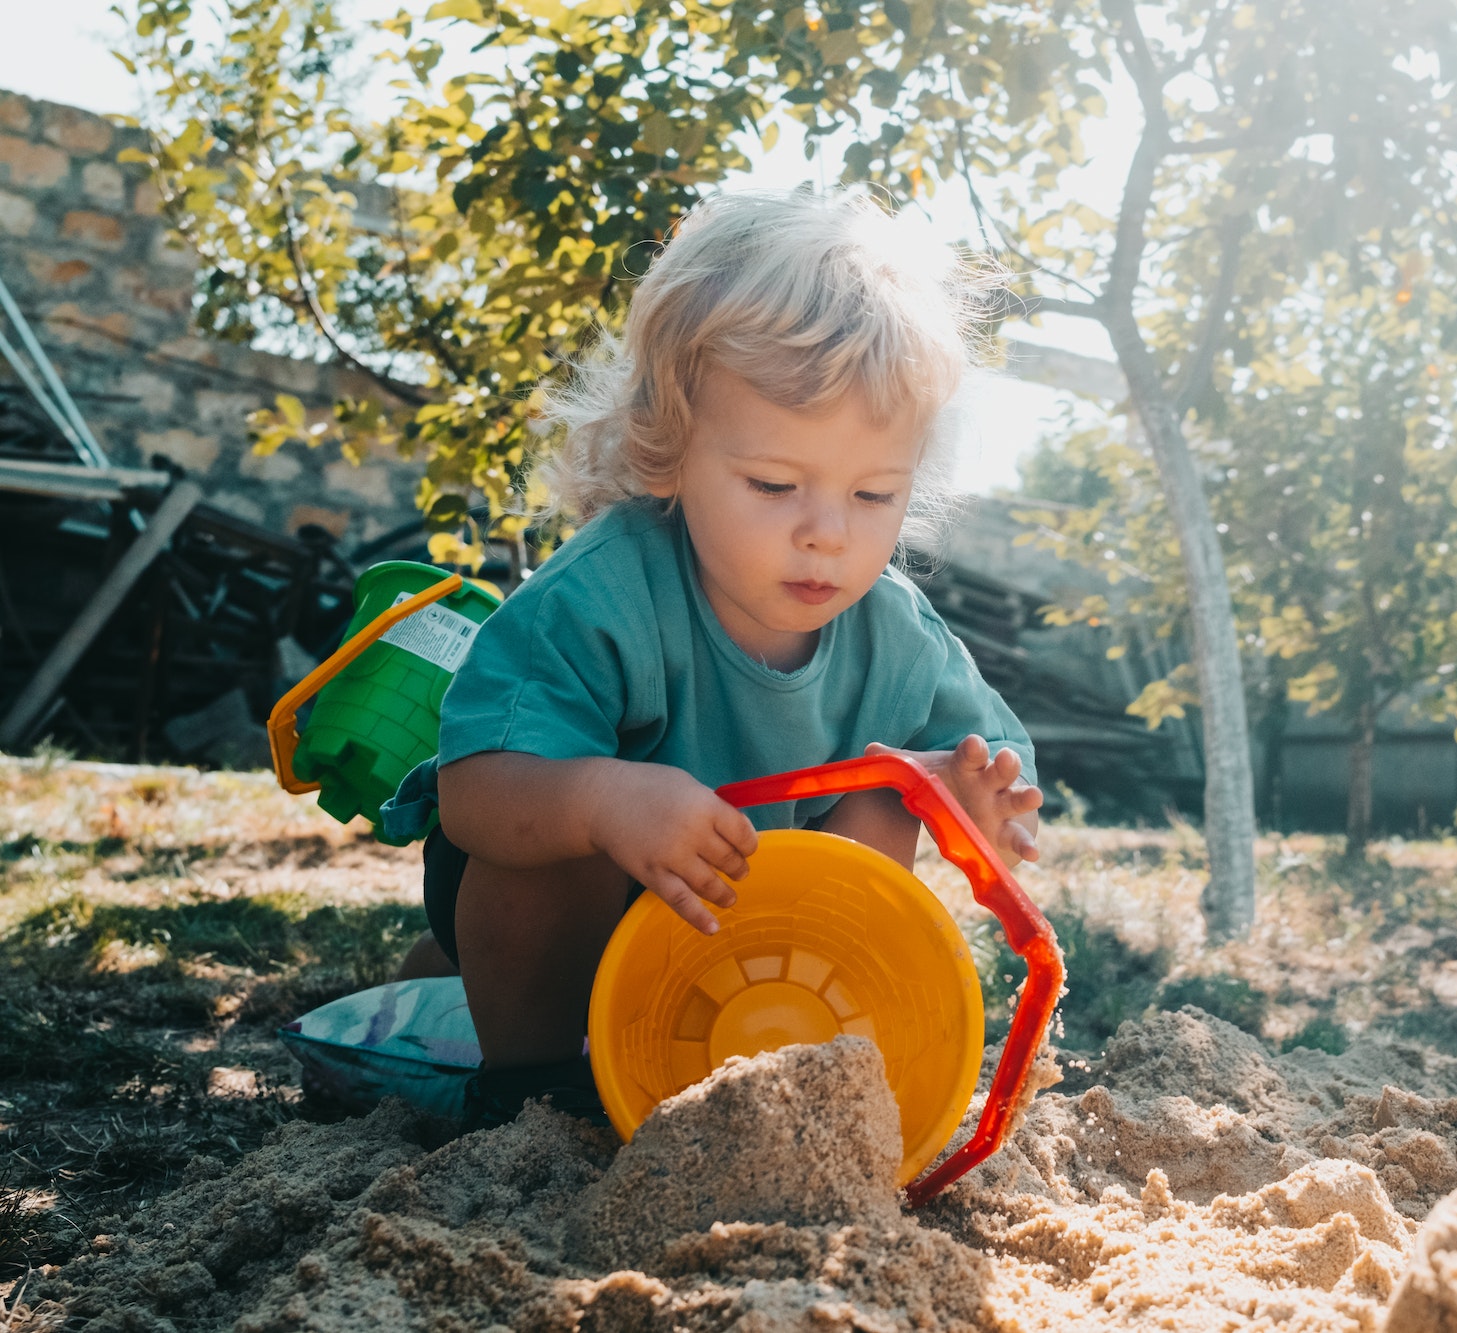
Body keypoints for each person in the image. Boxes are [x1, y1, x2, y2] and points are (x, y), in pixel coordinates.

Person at [383, 190, 1042, 1128]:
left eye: (872, 493)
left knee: (893, 786)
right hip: (572, 889)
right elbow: (478, 792)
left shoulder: (895, 634)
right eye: (774, 484)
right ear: (671, 447)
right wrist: (604, 800)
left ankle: (808, 1065)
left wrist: (974, 799)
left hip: (751, 927)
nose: (826, 534)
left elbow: (991, 766)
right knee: (553, 849)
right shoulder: (602, 594)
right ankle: (529, 1086)